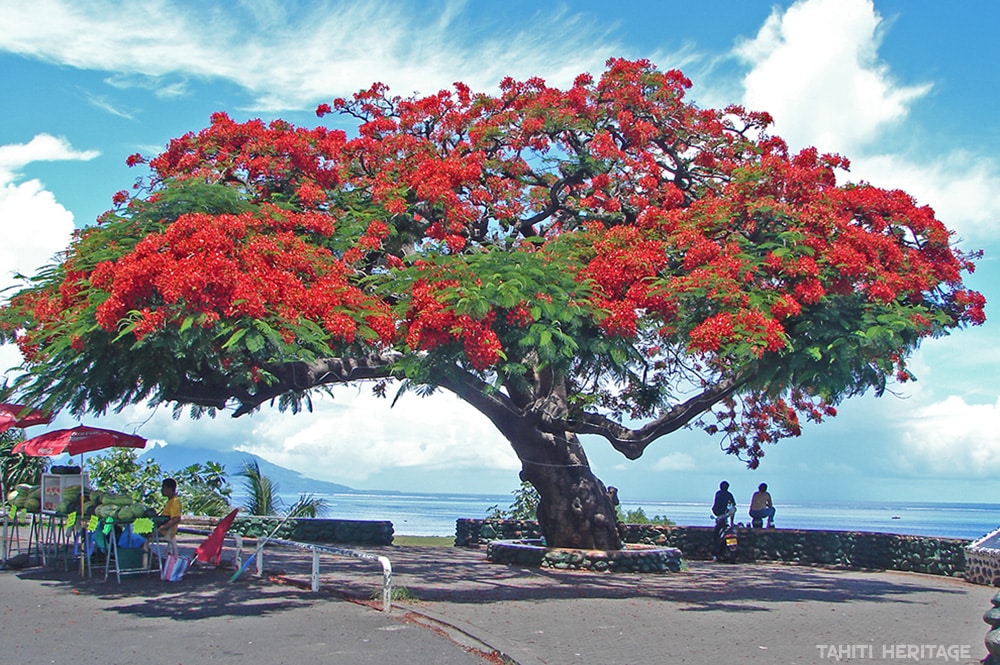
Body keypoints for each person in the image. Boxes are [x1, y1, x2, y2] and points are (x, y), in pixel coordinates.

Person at [158, 477, 182, 556]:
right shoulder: (170, 501)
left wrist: (162, 528)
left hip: (163, 531)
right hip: (160, 528)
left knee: (135, 533)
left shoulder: (175, 501)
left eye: (163, 487)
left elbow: (176, 519)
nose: (161, 490)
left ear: (170, 488)